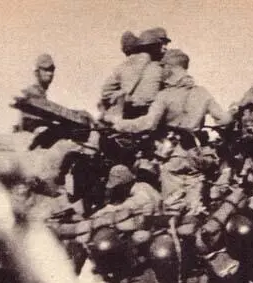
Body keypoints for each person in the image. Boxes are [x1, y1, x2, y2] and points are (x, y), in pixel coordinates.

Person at [107, 49, 234, 213]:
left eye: (164, 67)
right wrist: (232, 112)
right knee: (195, 209)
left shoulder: (165, 96)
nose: (162, 71)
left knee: (174, 209)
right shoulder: (202, 93)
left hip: (174, 160)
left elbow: (148, 123)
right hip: (198, 158)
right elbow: (224, 119)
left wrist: (119, 124)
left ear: (171, 68)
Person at [99, 27, 170, 120]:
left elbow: (106, 92)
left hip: (125, 117)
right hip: (150, 118)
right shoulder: (159, 68)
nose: (165, 48)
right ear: (154, 46)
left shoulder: (123, 65)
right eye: (162, 44)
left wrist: (124, 97)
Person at [92, 165, 161, 217]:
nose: (115, 191)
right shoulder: (143, 185)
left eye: (116, 188)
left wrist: (97, 214)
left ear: (123, 185)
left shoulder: (140, 193)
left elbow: (121, 208)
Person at [16, 53, 56, 132]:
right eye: (45, 70)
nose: (50, 73)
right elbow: (31, 124)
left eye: (52, 70)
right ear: (37, 72)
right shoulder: (32, 92)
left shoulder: (40, 93)